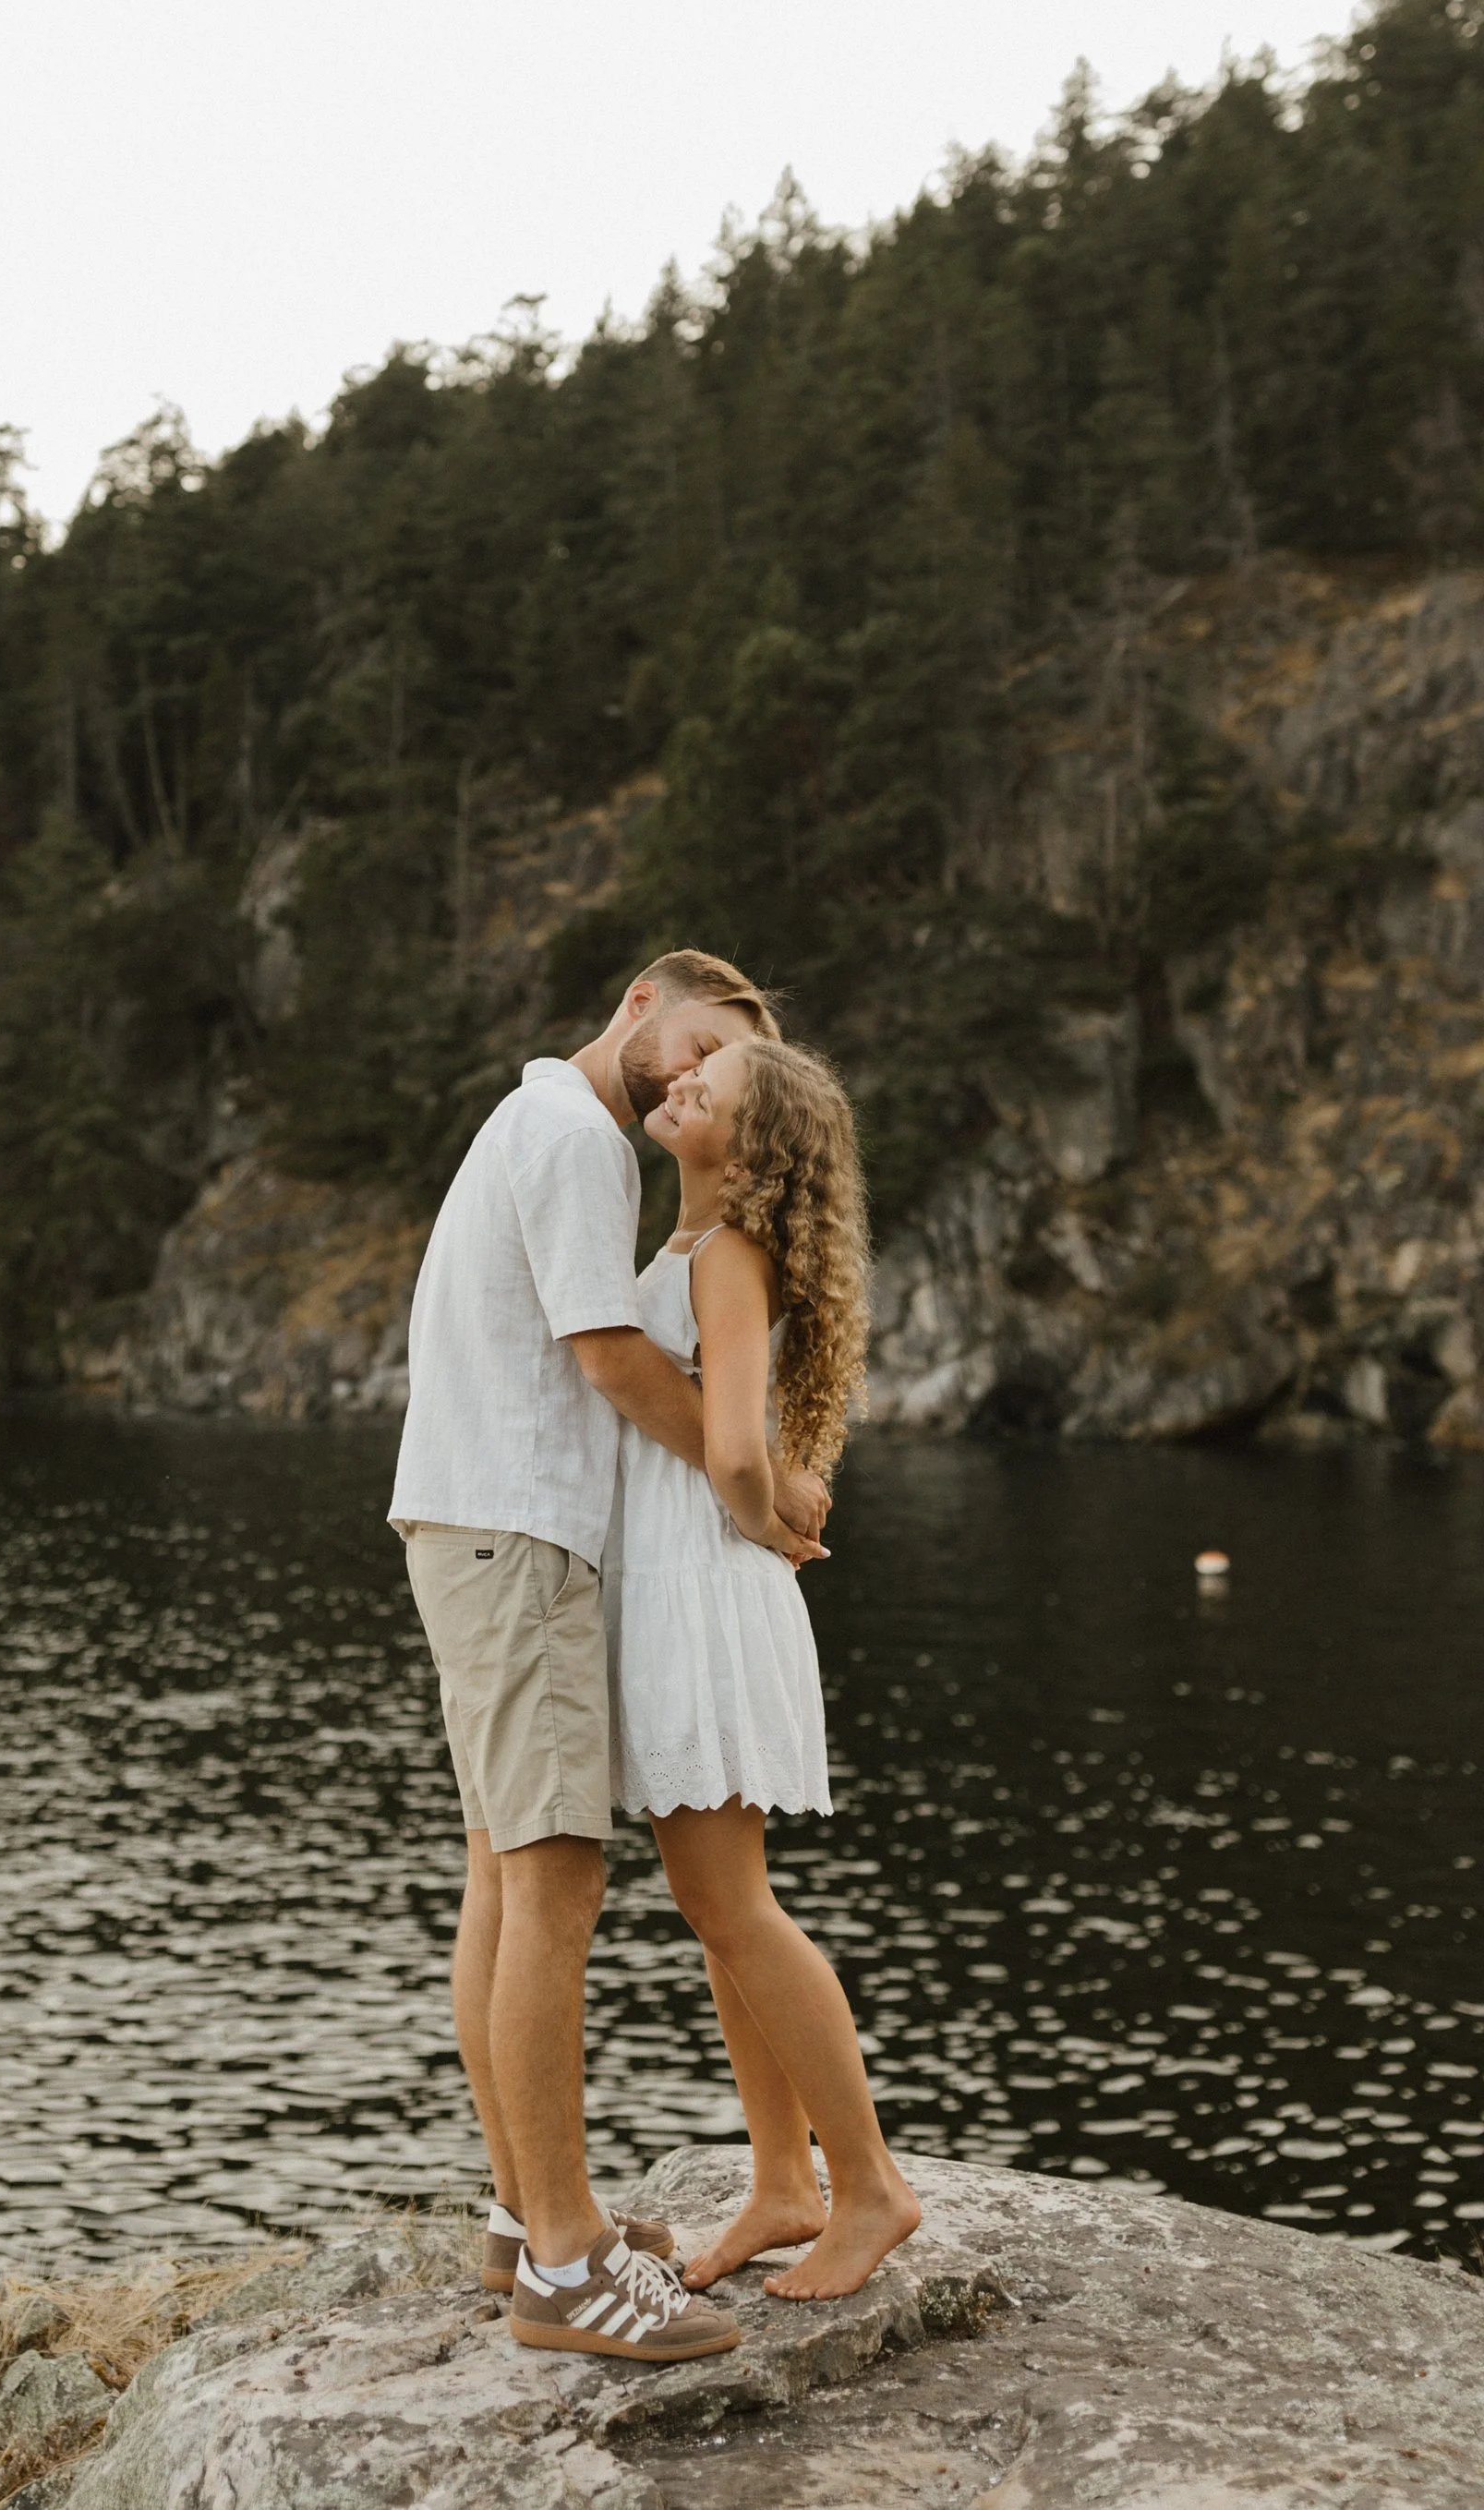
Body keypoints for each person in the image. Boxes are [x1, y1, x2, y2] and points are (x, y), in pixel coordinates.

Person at [388, 950, 828, 2363]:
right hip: (517, 1532)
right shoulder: (582, 1136)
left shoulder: (537, 1124)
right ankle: (568, 2266)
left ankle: (529, 2219)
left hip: (479, 1521)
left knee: (503, 1878)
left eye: (724, 1070)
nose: (693, 1072)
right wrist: (765, 1481)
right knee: (554, 1887)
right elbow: (607, 1357)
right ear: (645, 999)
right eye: (698, 1039)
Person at [611, 1034, 921, 2299]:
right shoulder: (698, 1246)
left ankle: (869, 2190)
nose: (677, 1080)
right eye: (689, 1070)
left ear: (749, 1148)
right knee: (715, 1906)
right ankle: (785, 2182)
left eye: (711, 1087)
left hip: (703, 1584)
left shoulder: (728, 1251)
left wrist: (762, 1517)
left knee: (733, 1904)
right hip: (689, 1578)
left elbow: (735, 1444)